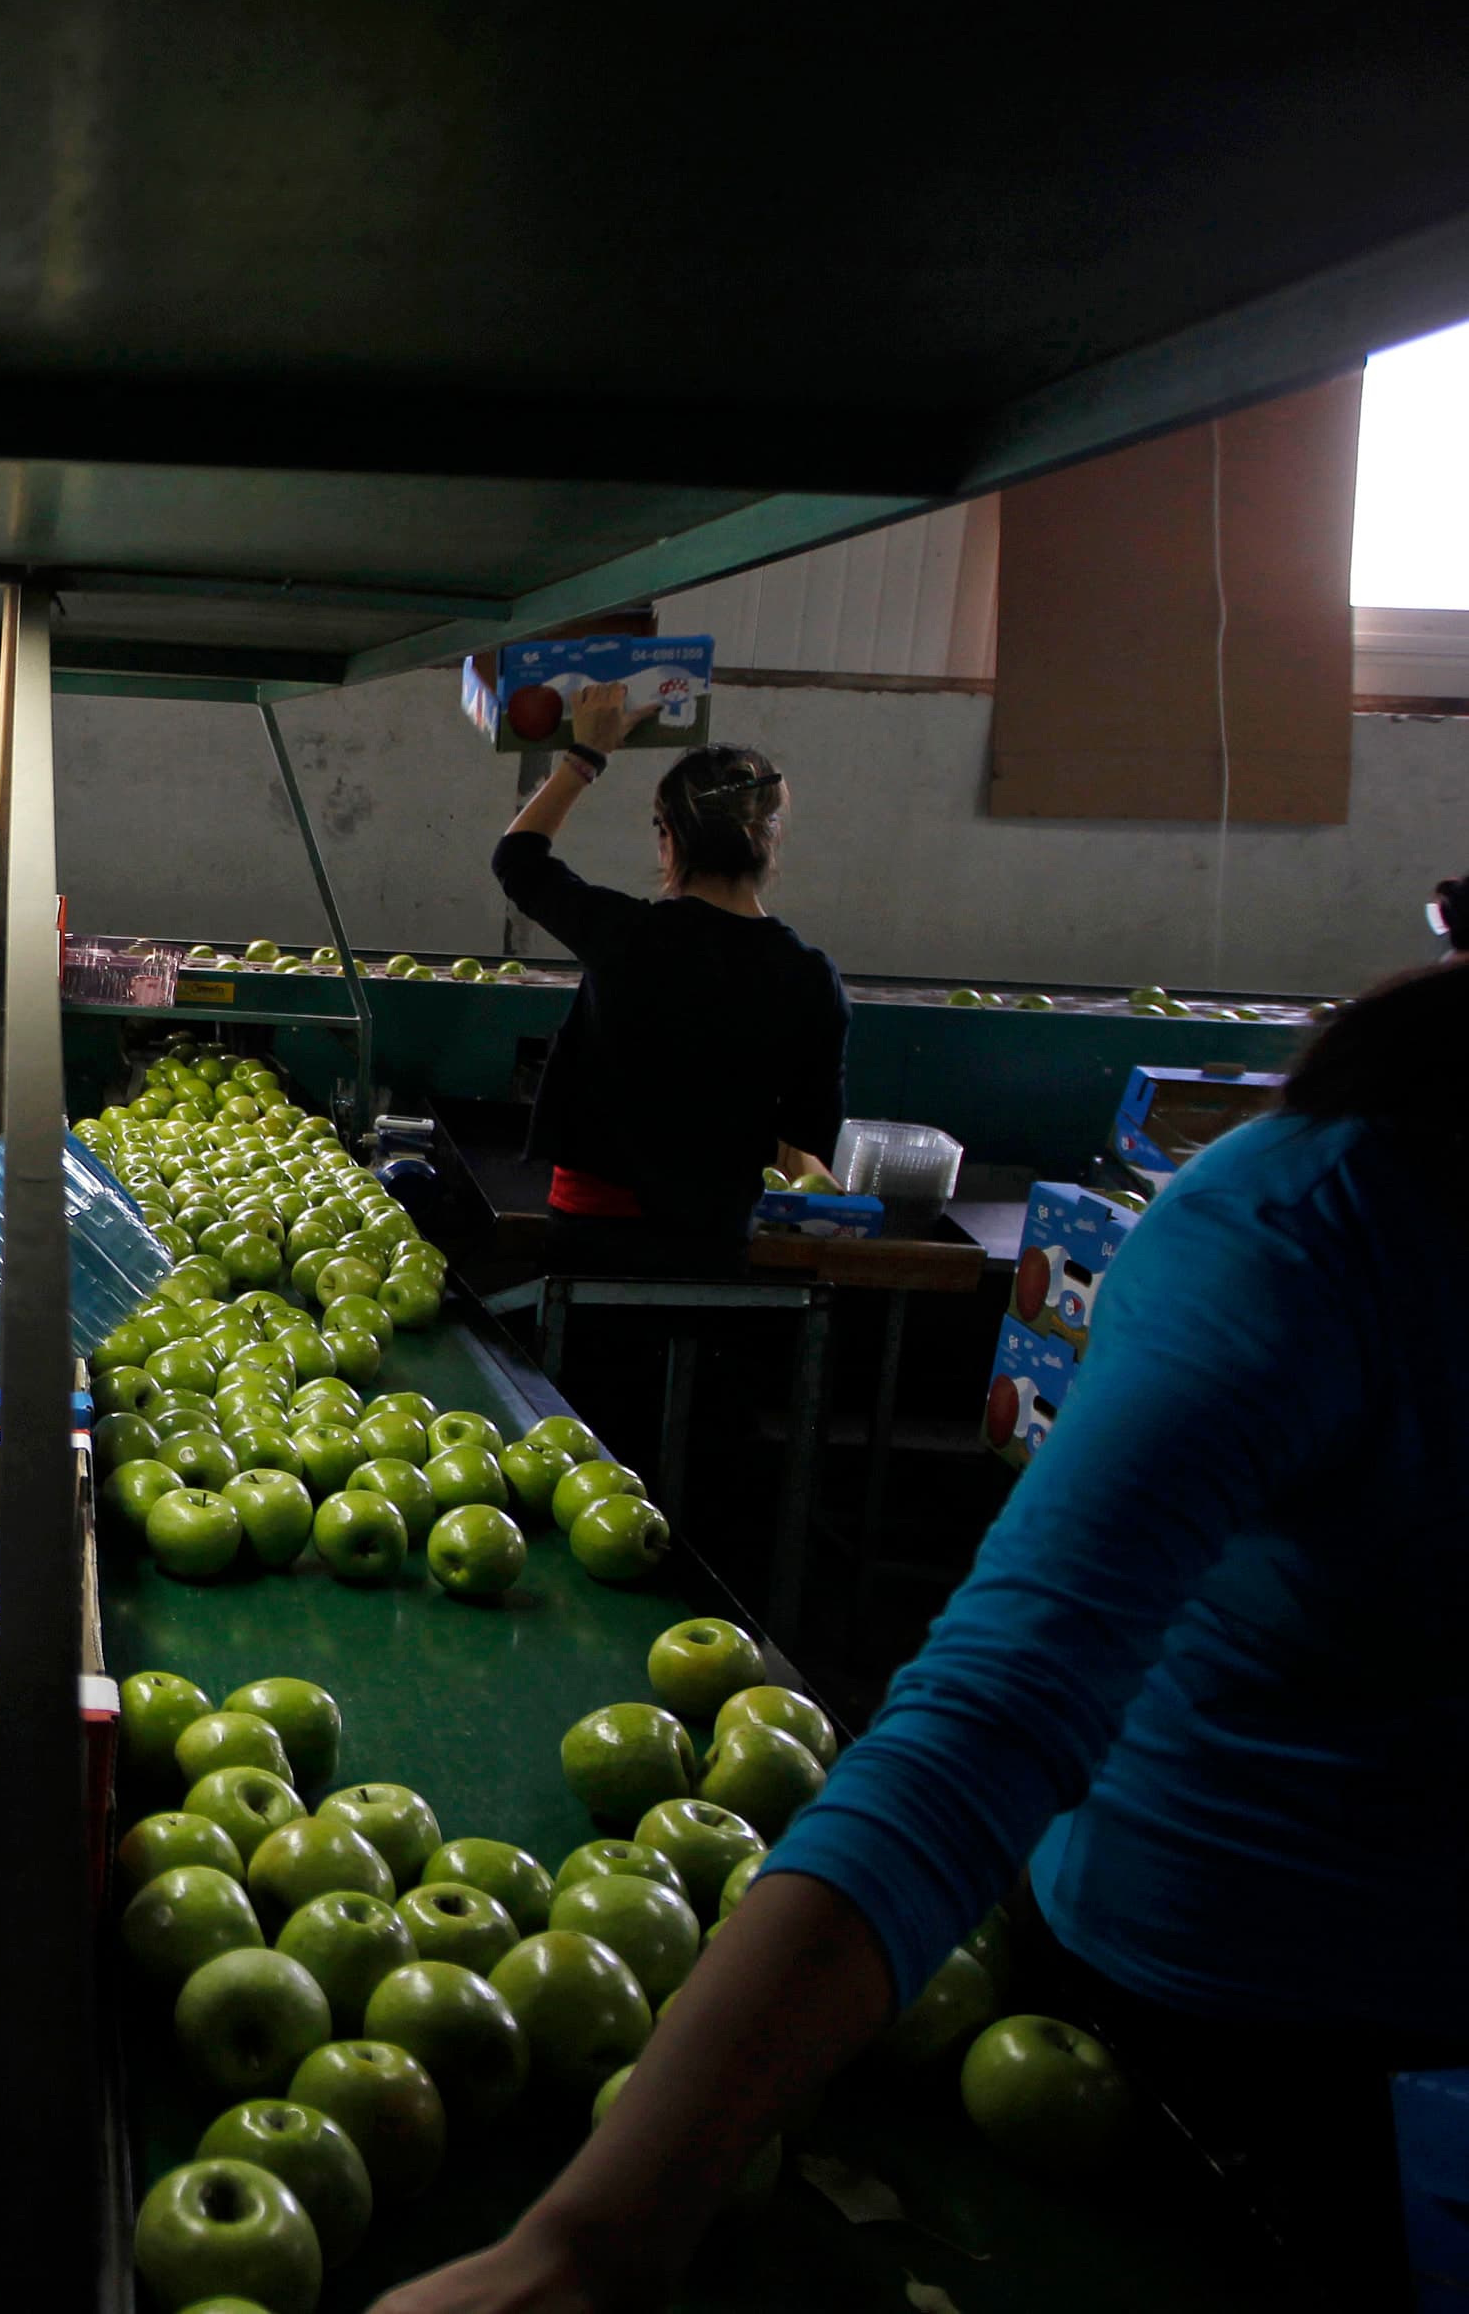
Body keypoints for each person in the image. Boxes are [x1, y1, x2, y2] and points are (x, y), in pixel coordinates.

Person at [374, 937, 1469, 2312]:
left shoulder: (1303, 1212)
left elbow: (994, 1718)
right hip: (1213, 2007)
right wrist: (596, 2237)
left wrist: (587, 2238)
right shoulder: (1322, 1226)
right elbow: (994, 1718)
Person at [492, 696, 849, 1273]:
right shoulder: (811, 977)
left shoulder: (626, 934)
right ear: (768, 840)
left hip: (594, 1229)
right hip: (716, 1240)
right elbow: (806, 1140)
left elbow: (518, 858)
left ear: (670, 839)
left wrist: (588, 753)